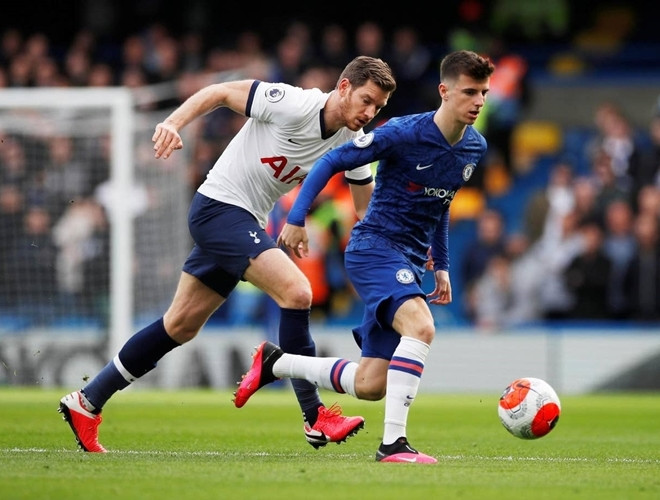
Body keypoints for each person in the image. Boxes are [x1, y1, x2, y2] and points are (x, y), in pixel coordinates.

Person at [58, 56, 397, 453]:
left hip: (244, 221)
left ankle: (87, 401)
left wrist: (401, 238)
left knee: (179, 325)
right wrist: (173, 123)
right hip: (219, 209)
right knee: (297, 292)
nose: (369, 113)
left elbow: (364, 208)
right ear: (343, 87)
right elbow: (219, 92)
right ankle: (314, 416)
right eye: (366, 100)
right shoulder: (293, 103)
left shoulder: (353, 141)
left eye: (378, 107)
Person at [234, 49, 496, 464]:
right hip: (374, 248)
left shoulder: (474, 146)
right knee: (421, 326)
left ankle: (277, 363)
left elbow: (442, 201)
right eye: (469, 92)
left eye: (483, 92)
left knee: (371, 383)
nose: (479, 101)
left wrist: (443, 264)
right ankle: (393, 444)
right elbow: (333, 159)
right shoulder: (403, 132)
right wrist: (297, 217)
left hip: (410, 260)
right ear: (444, 91)